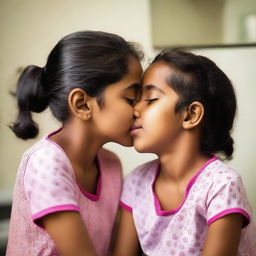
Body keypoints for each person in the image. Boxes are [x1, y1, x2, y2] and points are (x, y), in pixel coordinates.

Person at [7, 30, 143, 256]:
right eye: (131, 98)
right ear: (82, 104)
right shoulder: (47, 163)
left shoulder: (110, 165)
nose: (140, 109)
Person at [114, 49, 256, 256]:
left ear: (190, 115)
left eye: (151, 99)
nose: (135, 109)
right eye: (136, 99)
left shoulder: (222, 185)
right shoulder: (136, 182)